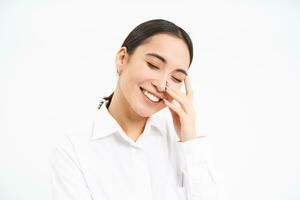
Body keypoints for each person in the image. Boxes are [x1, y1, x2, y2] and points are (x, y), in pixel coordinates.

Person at [50, 19, 219, 200]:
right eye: (153, 65)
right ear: (122, 58)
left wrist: (190, 142)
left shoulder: (183, 143)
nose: (162, 85)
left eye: (176, 78)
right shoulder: (73, 150)